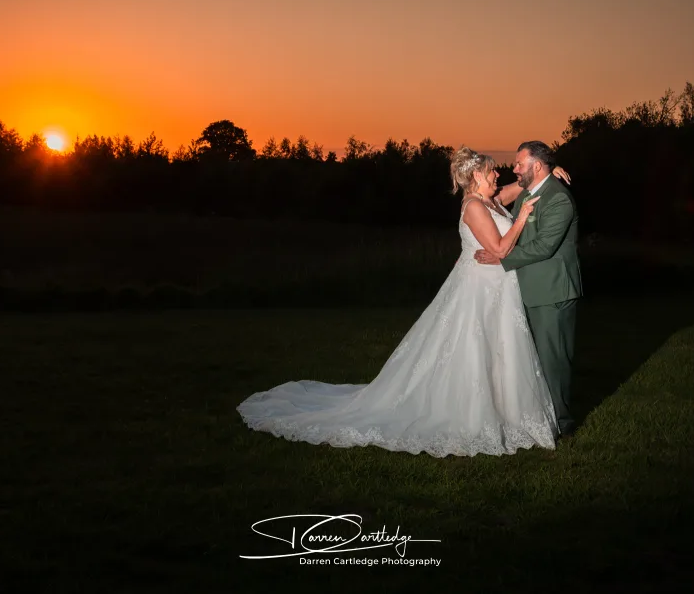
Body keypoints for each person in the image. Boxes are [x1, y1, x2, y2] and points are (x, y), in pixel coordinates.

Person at [237, 146, 571, 457]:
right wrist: (522, 217)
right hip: (480, 290)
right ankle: (470, 413)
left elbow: (526, 187)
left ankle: (504, 409)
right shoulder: (473, 206)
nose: (498, 173)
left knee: (500, 351)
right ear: (476, 176)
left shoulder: (493, 200)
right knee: (474, 349)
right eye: (491, 171)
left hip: (500, 288)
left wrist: (548, 173)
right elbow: (499, 249)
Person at [475, 141, 581, 435]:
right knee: (531, 361)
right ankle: (537, 418)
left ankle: (561, 424)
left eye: (520, 164)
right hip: (525, 289)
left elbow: (545, 246)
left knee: (552, 361)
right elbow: (495, 198)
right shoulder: (528, 193)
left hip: (552, 291)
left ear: (537, 166)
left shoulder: (558, 199)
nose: (514, 168)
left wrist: (501, 259)